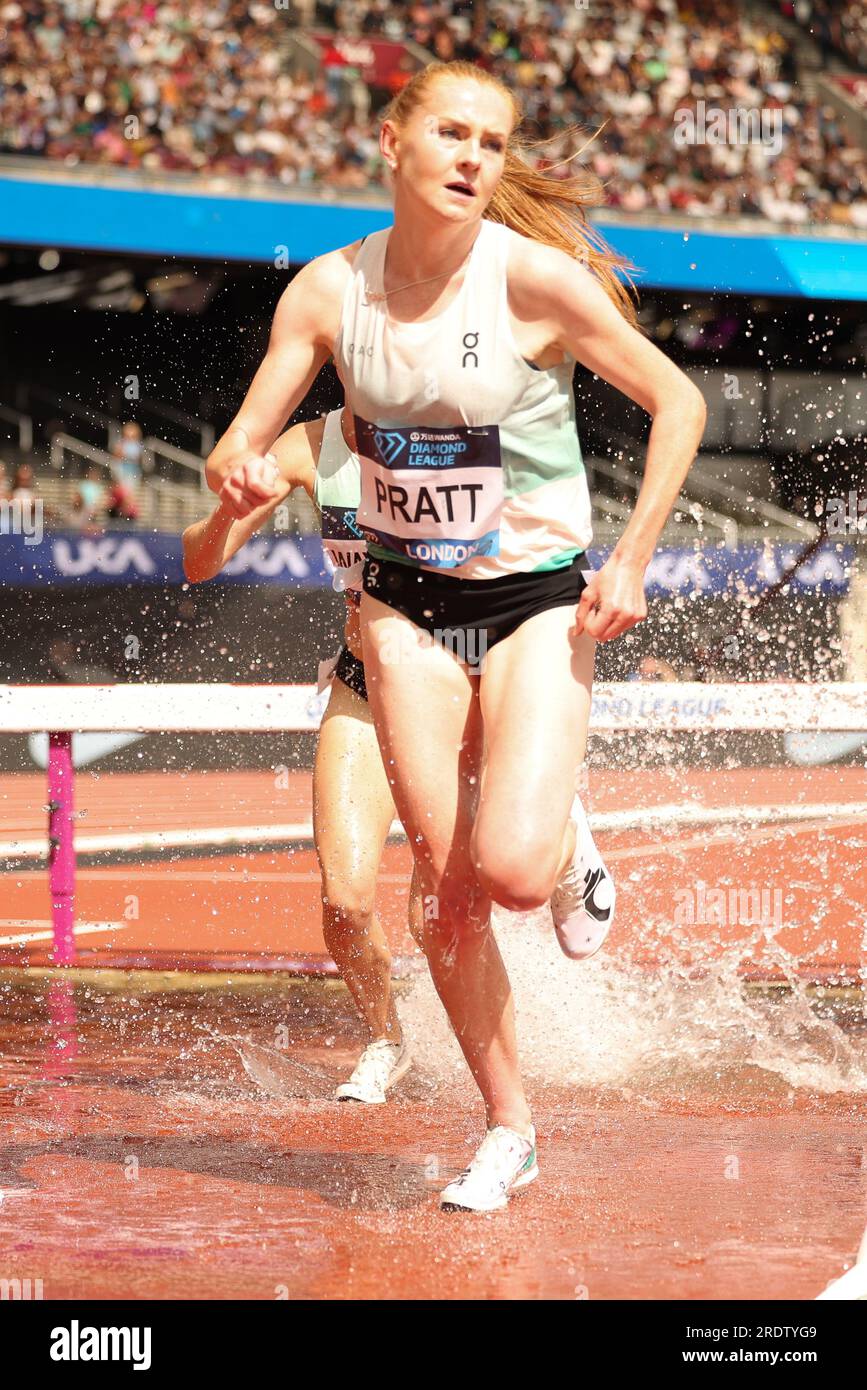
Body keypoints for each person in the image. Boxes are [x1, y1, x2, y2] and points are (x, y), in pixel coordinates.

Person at [204, 60, 706, 1211]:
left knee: (516, 873)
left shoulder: (535, 283)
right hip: (402, 609)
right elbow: (247, 435)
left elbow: (680, 403)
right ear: (395, 141)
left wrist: (630, 560)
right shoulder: (329, 293)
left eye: (491, 140)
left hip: (533, 599)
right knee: (446, 882)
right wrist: (236, 470)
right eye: (451, 132)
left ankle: (558, 830)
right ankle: (509, 1125)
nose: (473, 156)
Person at [184, 408, 422, 1104]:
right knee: (344, 900)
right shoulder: (309, 447)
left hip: (458, 685)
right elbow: (199, 563)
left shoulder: (463, 422)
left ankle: (557, 827)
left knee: (433, 920)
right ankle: (386, 1037)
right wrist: (231, 510)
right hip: (364, 688)